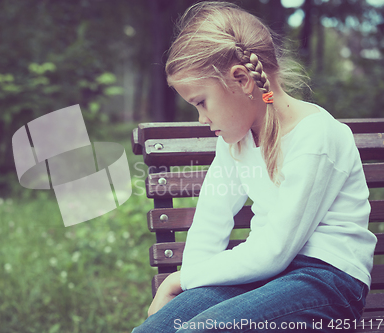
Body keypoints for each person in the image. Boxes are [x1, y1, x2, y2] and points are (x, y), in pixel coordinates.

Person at [132, 2, 377, 332]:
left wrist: (179, 279)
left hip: (327, 281)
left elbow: (274, 251)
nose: (201, 119)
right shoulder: (235, 142)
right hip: (265, 275)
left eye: (201, 102)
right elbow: (210, 224)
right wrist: (187, 284)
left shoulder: (317, 136)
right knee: (155, 329)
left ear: (242, 79)